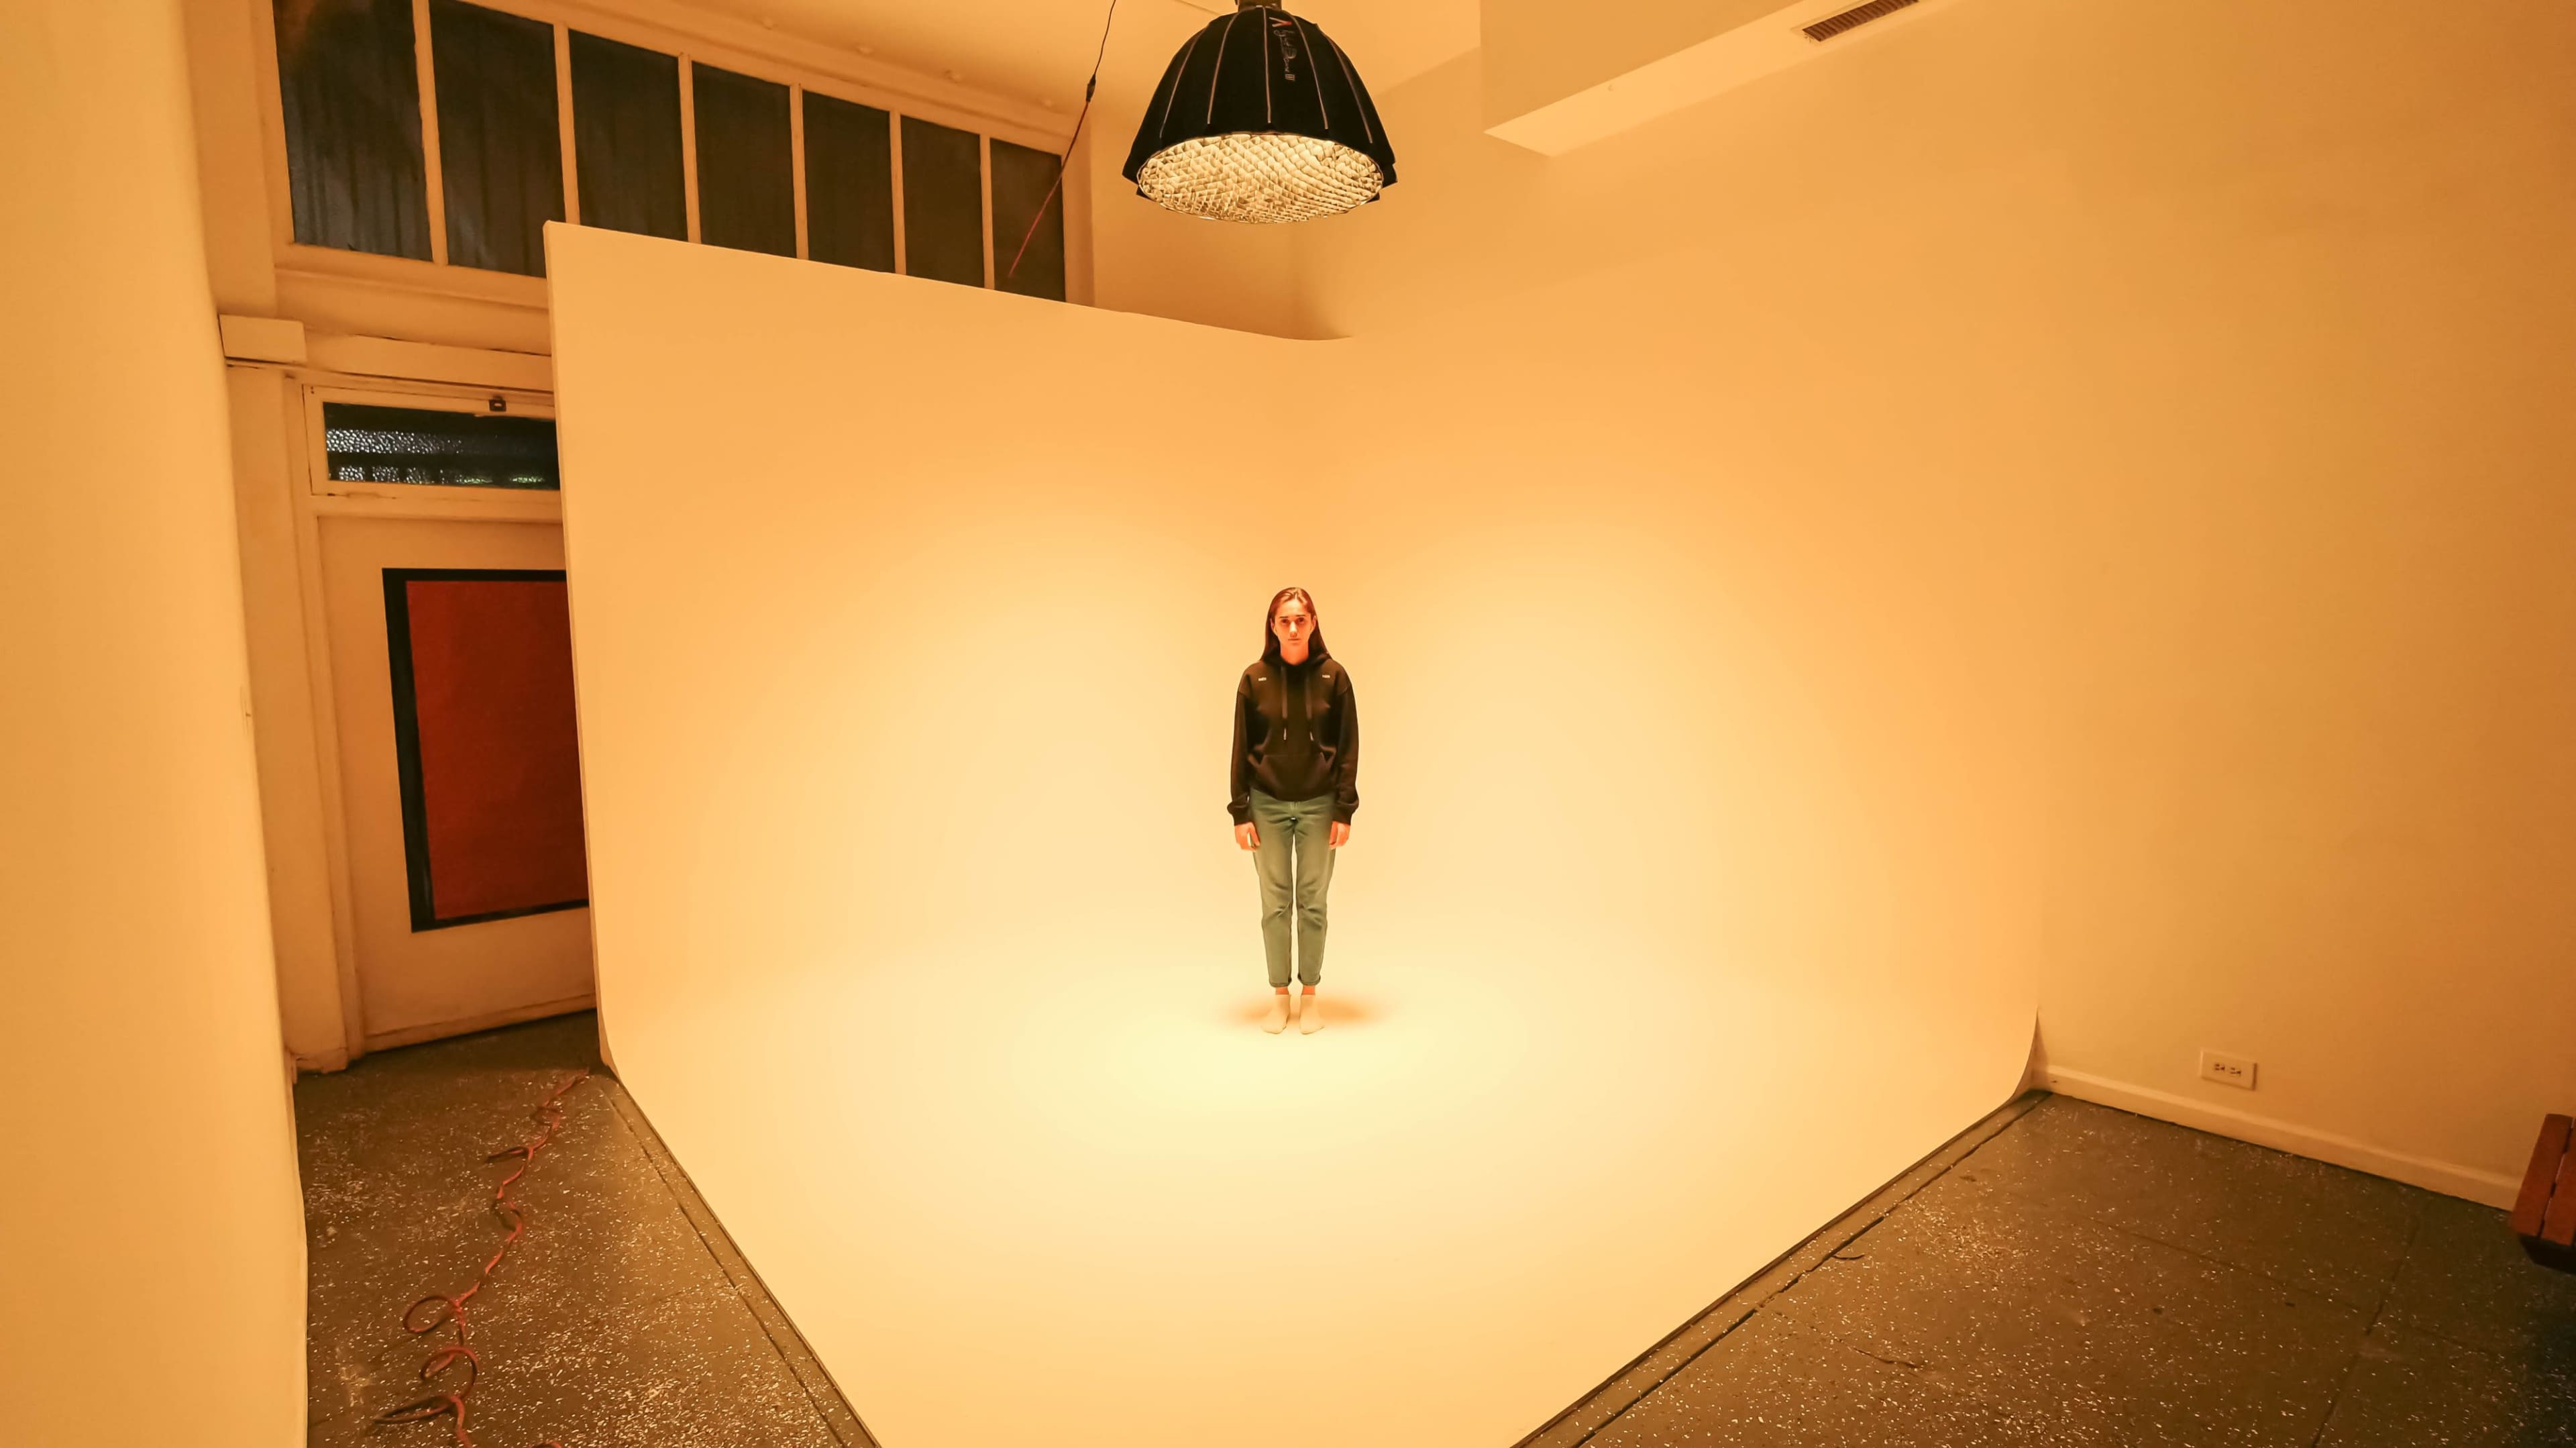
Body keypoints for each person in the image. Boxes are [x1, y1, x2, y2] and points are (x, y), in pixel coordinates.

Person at [1230, 586, 1357, 1035]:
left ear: (1314, 623)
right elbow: (1240, 748)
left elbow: (1347, 748)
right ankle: (1280, 996)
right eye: (1284, 620)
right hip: (1266, 803)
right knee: (1275, 903)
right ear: (1272, 626)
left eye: (1301, 619)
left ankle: (1311, 996)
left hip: (1321, 804)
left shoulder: (1334, 677)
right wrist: (1239, 811)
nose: (1293, 627)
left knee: (1313, 903)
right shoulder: (1254, 678)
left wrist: (1344, 809)